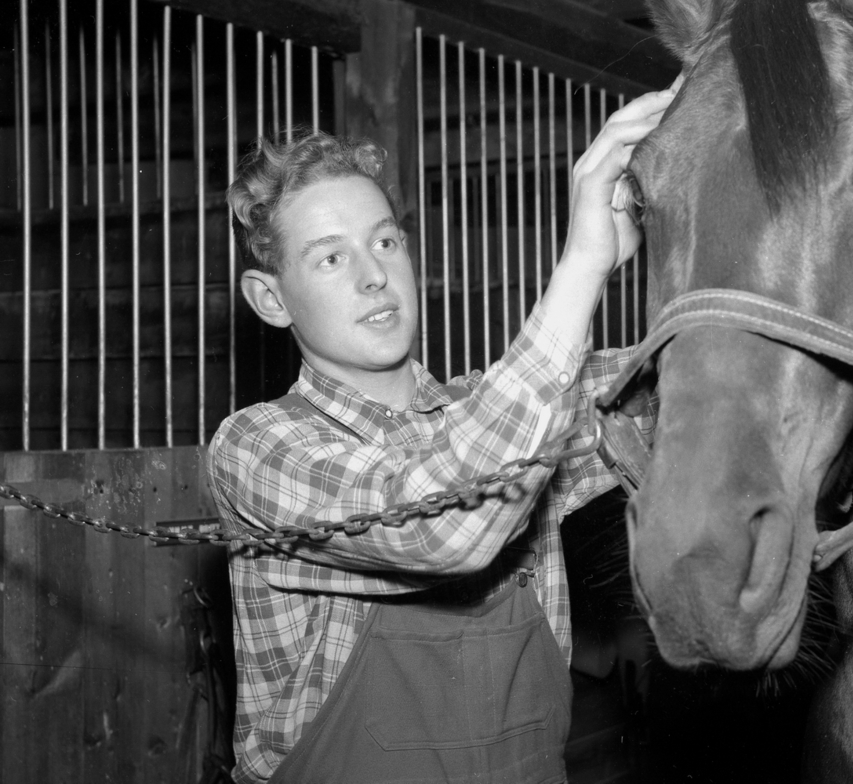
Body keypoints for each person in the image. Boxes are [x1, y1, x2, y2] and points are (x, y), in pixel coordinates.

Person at [206, 79, 677, 784]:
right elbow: (450, 526)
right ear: (272, 300)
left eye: (384, 241)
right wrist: (583, 264)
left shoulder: (495, 408)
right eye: (331, 257)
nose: (374, 276)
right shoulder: (258, 446)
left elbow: (693, 378)